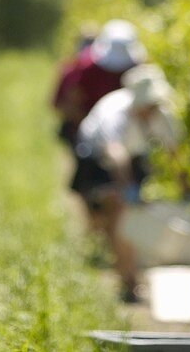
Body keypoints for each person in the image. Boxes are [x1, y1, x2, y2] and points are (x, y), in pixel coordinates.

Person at [71, 64, 180, 301]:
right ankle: (127, 277)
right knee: (117, 212)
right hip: (96, 158)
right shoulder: (115, 113)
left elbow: (174, 152)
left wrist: (185, 185)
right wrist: (128, 188)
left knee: (126, 218)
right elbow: (115, 154)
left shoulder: (161, 115)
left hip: (133, 156)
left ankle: (127, 272)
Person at [52, 19, 146, 145]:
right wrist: (92, 127)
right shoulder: (86, 68)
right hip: (87, 131)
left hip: (125, 133)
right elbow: (69, 103)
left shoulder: (138, 69)